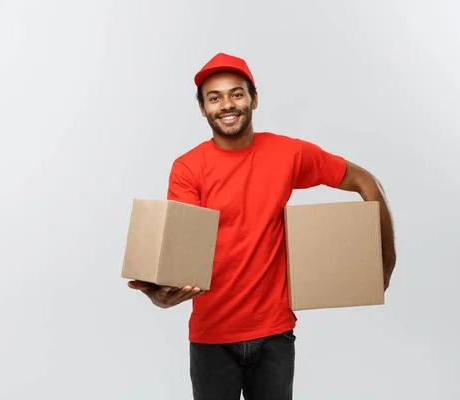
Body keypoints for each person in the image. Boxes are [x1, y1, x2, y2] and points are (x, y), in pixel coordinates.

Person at [128, 52, 397, 400]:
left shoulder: (288, 154)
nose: (227, 104)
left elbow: (365, 181)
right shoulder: (188, 169)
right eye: (214, 98)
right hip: (212, 337)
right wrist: (157, 294)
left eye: (236, 94)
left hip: (275, 335)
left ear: (254, 98)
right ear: (202, 108)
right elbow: (180, 254)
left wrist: (385, 261)